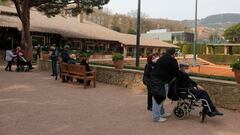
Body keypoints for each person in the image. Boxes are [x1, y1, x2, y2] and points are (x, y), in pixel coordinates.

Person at [150, 48, 179, 122]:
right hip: (161, 81)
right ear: (174, 53)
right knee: (158, 98)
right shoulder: (173, 60)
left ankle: (161, 113)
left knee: (160, 97)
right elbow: (176, 73)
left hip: (154, 80)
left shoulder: (161, 58)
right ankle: (156, 117)